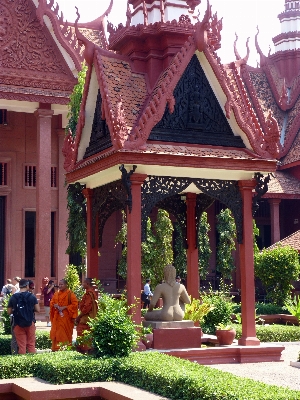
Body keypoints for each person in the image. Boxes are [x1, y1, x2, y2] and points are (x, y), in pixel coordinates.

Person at [7, 279, 40, 354]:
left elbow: (9, 312)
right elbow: (38, 309)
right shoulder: (32, 296)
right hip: (30, 322)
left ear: (19, 286)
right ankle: (33, 364)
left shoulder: (13, 297)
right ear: (27, 286)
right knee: (31, 345)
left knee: (22, 345)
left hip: (18, 323)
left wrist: (16, 310)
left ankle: (23, 363)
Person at [50, 279, 78, 351]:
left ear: (66, 285)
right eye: (59, 284)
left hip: (66, 318)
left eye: (62, 284)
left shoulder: (70, 294)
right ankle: (56, 348)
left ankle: (65, 349)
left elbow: (75, 305)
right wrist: (54, 305)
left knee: (64, 333)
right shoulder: (56, 294)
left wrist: (65, 307)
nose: (60, 286)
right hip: (57, 317)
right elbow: (52, 302)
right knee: (56, 333)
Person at [75, 278, 98, 353]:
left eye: (83, 283)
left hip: (86, 319)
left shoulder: (89, 294)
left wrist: (79, 317)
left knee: (83, 334)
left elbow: (86, 308)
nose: (82, 284)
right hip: (89, 318)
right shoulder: (92, 293)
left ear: (87, 284)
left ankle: (85, 351)